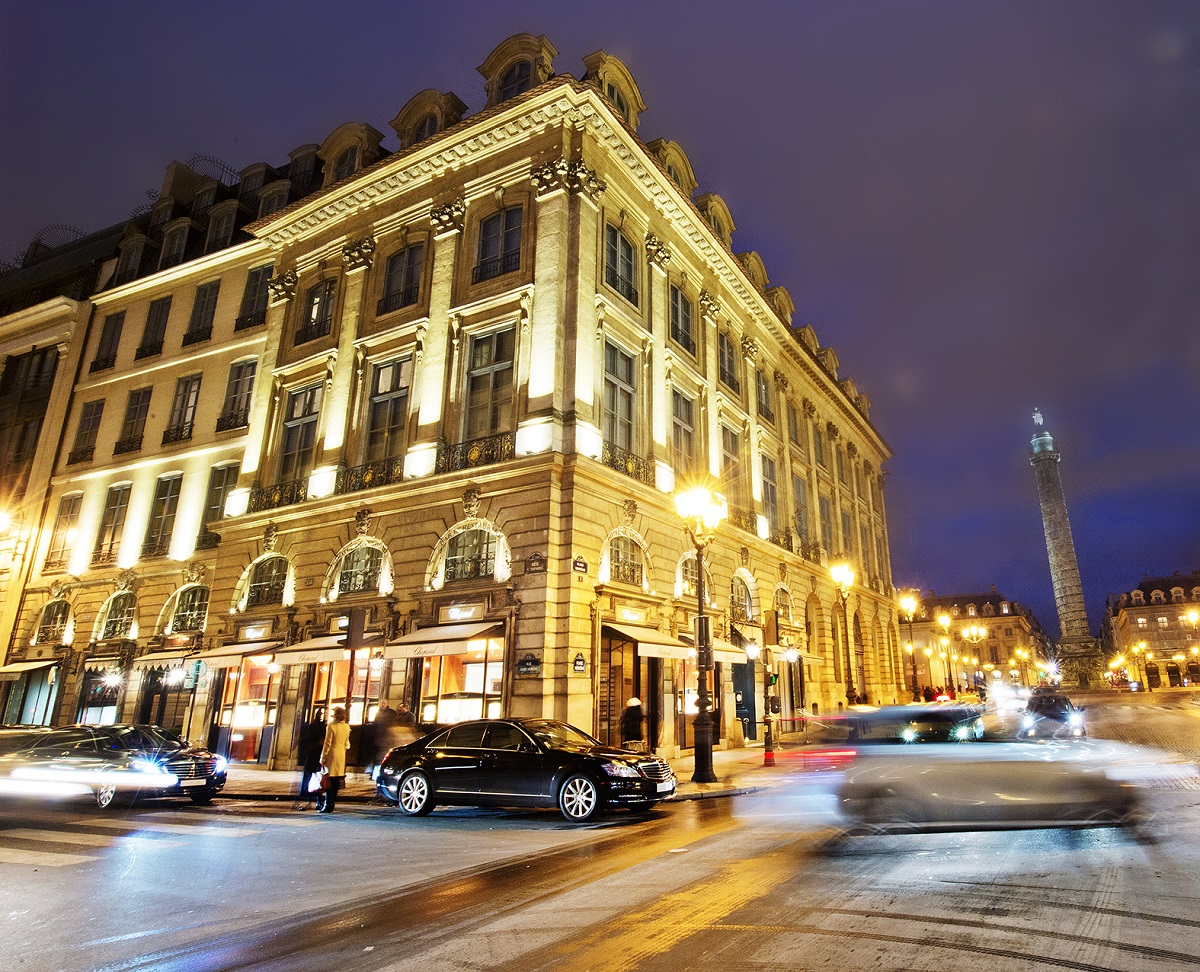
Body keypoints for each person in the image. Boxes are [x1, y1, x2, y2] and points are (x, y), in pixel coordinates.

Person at [317, 706, 351, 814]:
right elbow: (347, 744)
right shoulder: (346, 727)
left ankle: (327, 804)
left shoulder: (331, 727)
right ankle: (332, 802)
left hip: (332, 754)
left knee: (329, 780)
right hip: (341, 755)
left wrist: (323, 757)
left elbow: (327, 744)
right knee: (336, 781)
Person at [296, 711, 326, 809]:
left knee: (314, 777)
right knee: (317, 777)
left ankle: (314, 800)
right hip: (316, 754)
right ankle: (318, 801)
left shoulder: (313, 727)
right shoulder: (319, 727)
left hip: (314, 754)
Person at [369, 699, 400, 777]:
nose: (382, 704)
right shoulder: (378, 713)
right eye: (381, 703)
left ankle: (380, 774)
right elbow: (375, 724)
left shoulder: (391, 713)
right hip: (378, 738)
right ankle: (376, 774)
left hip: (386, 739)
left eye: (384, 703)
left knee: (382, 757)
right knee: (378, 757)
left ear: (387, 704)